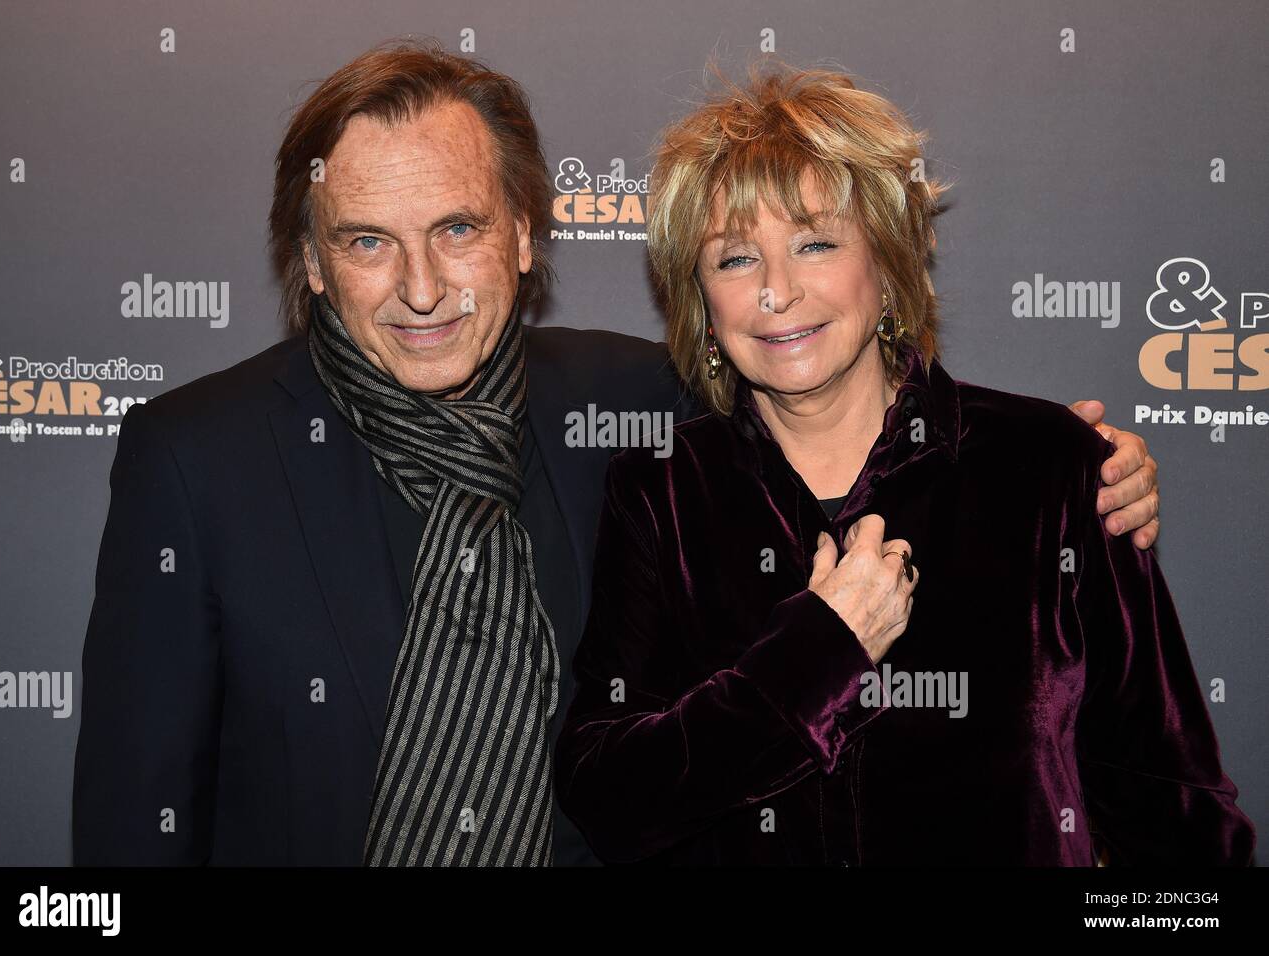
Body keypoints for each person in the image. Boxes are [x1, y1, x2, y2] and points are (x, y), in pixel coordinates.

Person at [72, 40, 1160, 867]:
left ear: (524, 235)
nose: (419, 286)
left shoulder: (640, 407)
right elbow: (131, 825)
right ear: (309, 262)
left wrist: (1072, 470)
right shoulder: (193, 459)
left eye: (457, 228)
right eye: (365, 242)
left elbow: (833, 393)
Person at [553, 62, 1253, 865]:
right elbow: (606, 794)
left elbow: (1172, 807)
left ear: (886, 268)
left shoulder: (1050, 468)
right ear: (700, 302)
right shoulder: (664, 491)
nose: (777, 291)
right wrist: (815, 654)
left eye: (815, 243)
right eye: (735, 259)